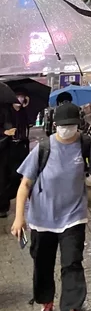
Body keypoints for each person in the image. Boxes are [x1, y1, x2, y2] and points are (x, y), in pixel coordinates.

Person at [11, 102, 91, 311]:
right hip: (42, 218)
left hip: (73, 216)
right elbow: (25, 184)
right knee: (43, 264)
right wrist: (19, 218)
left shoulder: (85, 145)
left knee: (72, 262)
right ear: (55, 126)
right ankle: (46, 302)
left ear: (79, 125)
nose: (68, 129)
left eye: (72, 125)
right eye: (63, 126)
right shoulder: (43, 148)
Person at [0, 88, 31, 218]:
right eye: (18, 97)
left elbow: (28, 124)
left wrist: (24, 108)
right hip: (5, 149)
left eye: (22, 97)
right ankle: (3, 206)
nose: (20, 100)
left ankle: (9, 196)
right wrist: (5, 133)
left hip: (20, 148)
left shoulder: (23, 112)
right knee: (3, 177)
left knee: (16, 175)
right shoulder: (4, 111)